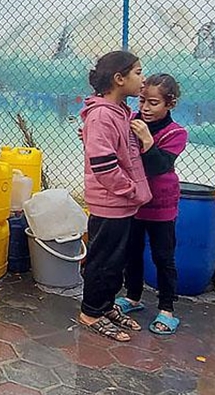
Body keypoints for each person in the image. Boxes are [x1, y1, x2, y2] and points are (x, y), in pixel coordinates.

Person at [78, 50, 151, 343]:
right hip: (110, 202)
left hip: (122, 203)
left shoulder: (120, 113)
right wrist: (130, 190)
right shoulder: (101, 116)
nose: (142, 80)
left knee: (115, 260)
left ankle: (105, 305)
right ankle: (91, 312)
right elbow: (104, 165)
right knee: (103, 260)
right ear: (119, 79)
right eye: (137, 73)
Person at [113, 74, 188, 336]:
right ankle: (133, 296)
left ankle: (167, 308)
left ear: (171, 104)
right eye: (142, 101)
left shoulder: (176, 133)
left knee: (162, 256)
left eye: (153, 103)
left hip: (161, 206)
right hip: (133, 203)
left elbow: (159, 166)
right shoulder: (132, 121)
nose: (145, 108)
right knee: (131, 252)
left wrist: (147, 140)